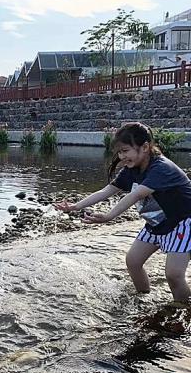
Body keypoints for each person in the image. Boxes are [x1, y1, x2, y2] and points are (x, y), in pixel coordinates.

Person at [55, 122, 191, 302]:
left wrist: (109, 216)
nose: (121, 156)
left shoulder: (162, 168)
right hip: (157, 223)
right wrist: (75, 206)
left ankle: (183, 309)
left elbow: (136, 195)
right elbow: (106, 191)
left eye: (125, 151)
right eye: (119, 152)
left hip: (182, 223)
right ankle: (143, 298)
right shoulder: (131, 169)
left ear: (144, 147)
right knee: (133, 261)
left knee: (173, 274)